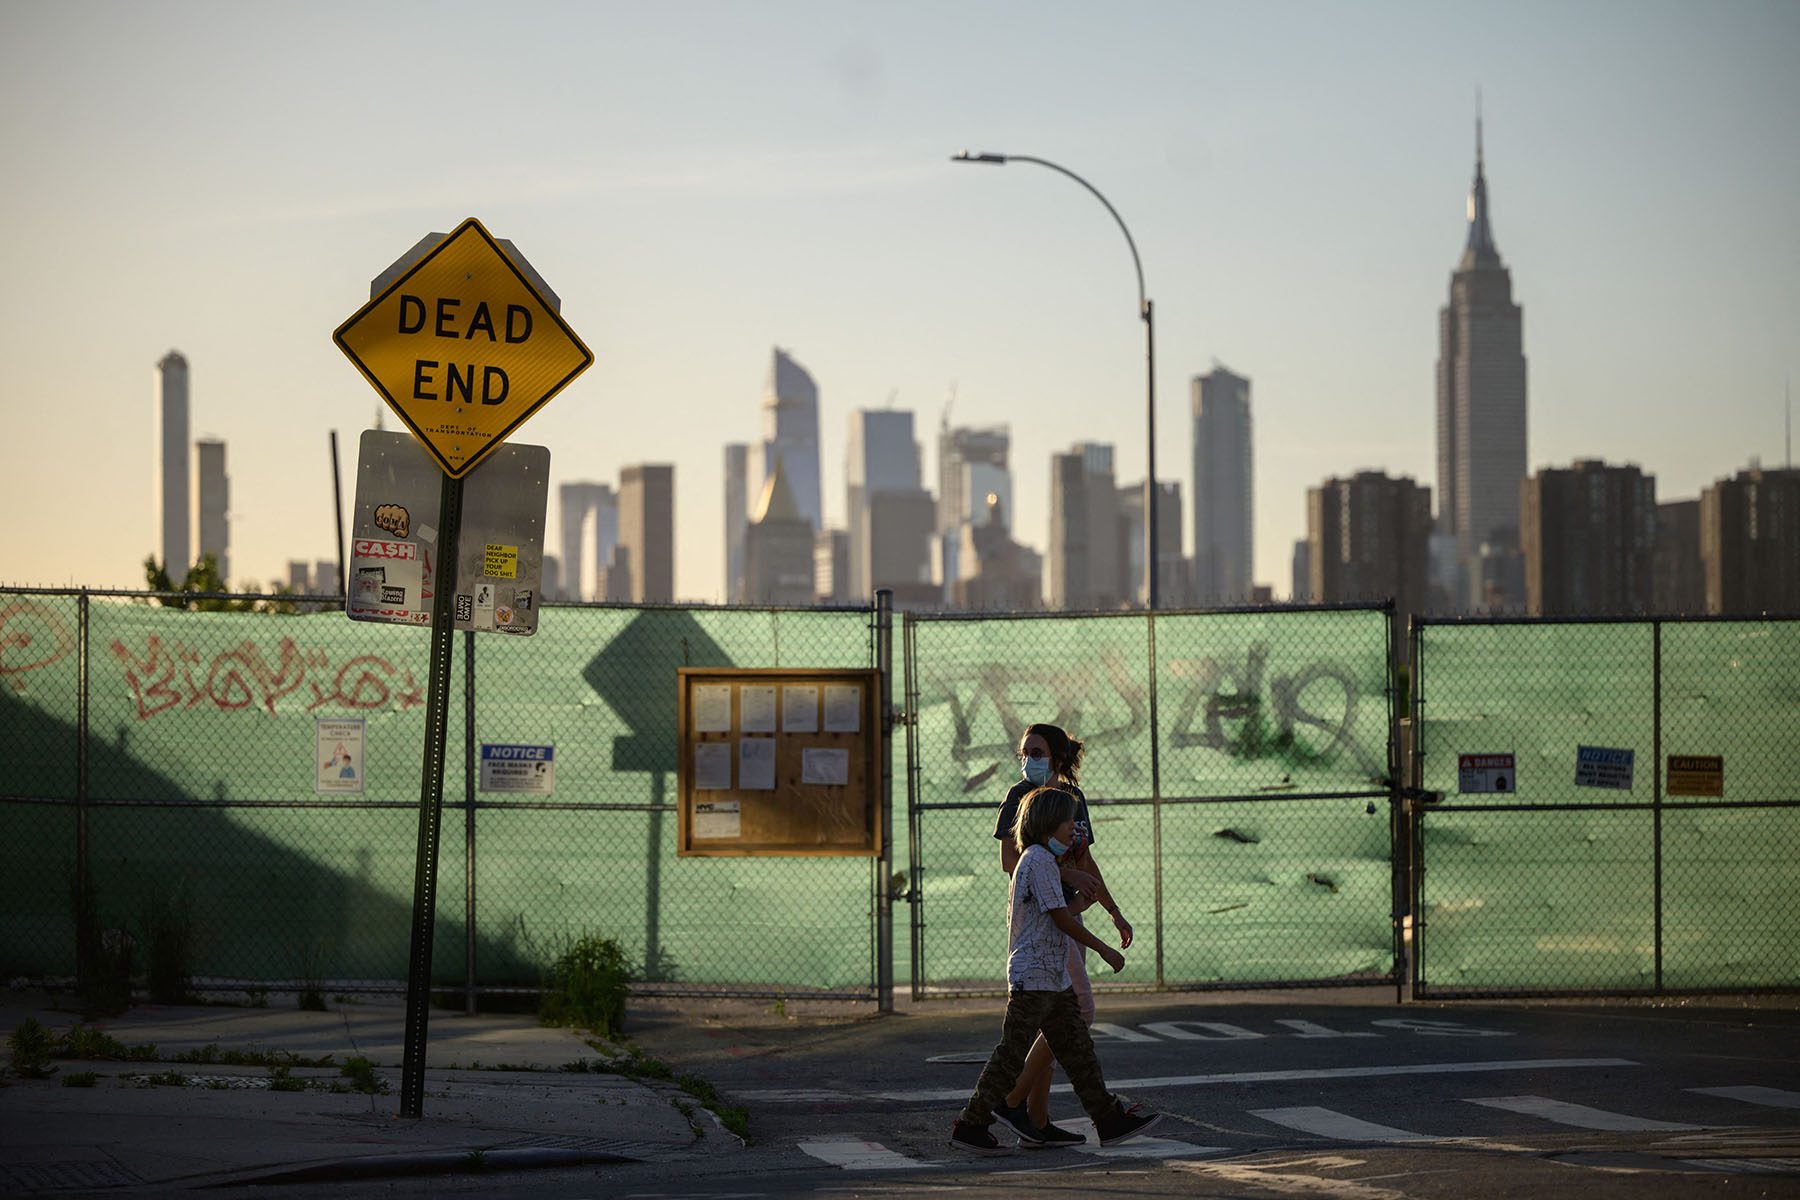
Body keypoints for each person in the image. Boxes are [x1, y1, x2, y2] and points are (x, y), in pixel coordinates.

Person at [949, 785, 1161, 1153]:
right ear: (1048, 823)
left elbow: (1057, 912)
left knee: (1078, 1052)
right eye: (1068, 821)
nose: (1074, 829)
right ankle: (972, 1123)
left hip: (1052, 978)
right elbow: (1060, 919)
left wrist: (1085, 899)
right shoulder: (1038, 860)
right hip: (1034, 979)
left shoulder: (1043, 861)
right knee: (1011, 1054)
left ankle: (1108, 1119)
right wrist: (1105, 950)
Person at [990, 722, 1132, 1146]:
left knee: (1051, 1018)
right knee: (1078, 1012)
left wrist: (1113, 910)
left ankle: (1035, 1120)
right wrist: (1061, 871)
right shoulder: (1019, 797)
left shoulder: (1073, 798)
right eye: (1024, 752)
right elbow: (1010, 863)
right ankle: (1012, 1101)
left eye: (1035, 751)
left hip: (1072, 912)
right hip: (1045, 918)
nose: (1027, 760)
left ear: (1055, 755)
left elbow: (1085, 862)